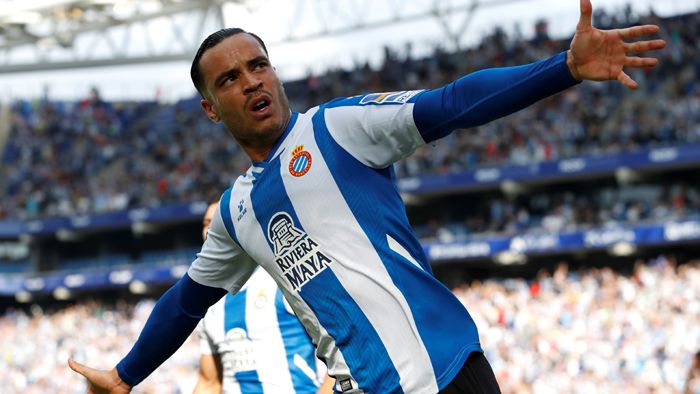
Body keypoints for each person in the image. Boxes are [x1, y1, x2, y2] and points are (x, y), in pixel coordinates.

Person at [68, 0, 665, 392]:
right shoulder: (234, 213)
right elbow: (185, 302)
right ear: (210, 109)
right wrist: (126, 375)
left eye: (258, 65)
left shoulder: (337, 129)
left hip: (446, 374)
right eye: (229, 78)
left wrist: (563, 67)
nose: (251, 81)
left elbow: (452, 103)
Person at [194, 202, 334, 393]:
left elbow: (341, 352)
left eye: (218, 222)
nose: (210, 229)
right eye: (206, 223)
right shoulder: (208, 304)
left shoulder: (283, 279)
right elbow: (209, 383)